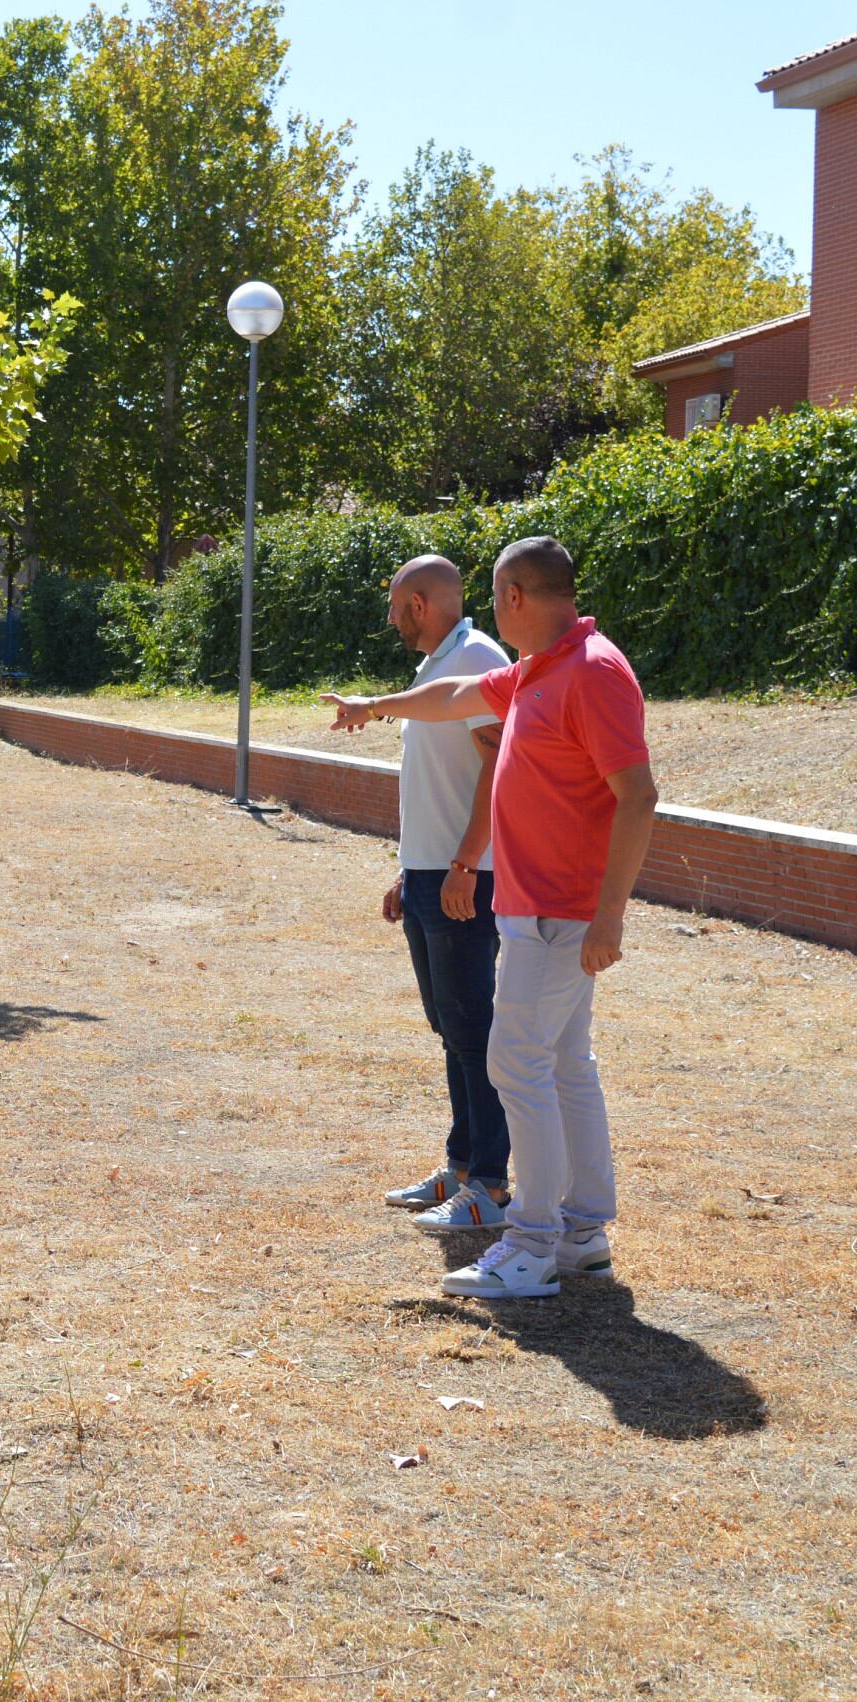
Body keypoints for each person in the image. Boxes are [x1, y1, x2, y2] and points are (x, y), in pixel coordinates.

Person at [325, 537, 659, 1300]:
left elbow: (638, 794)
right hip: (534, 908)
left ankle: (533, 1242)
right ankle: (581, 1236)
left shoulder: (594, 670)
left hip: (557, 912)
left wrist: (610, 916)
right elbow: (451, 699)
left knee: (515, 1065)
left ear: (513, 597)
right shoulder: (542, 667)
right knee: (566, 1067)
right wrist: (374, 707)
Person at [371, 555, 514, 1236]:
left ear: (421, 604)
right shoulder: (438, 664)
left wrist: (462, 863)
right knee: (450, 1026)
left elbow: (497, 763)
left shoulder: (477, 657)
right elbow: (439, 780)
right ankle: (460, 1168)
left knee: (472, 1028)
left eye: (397, 603)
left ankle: (489, 1180)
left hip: (467, 876)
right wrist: (412, 869)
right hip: (432, 873)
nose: (390, 616)